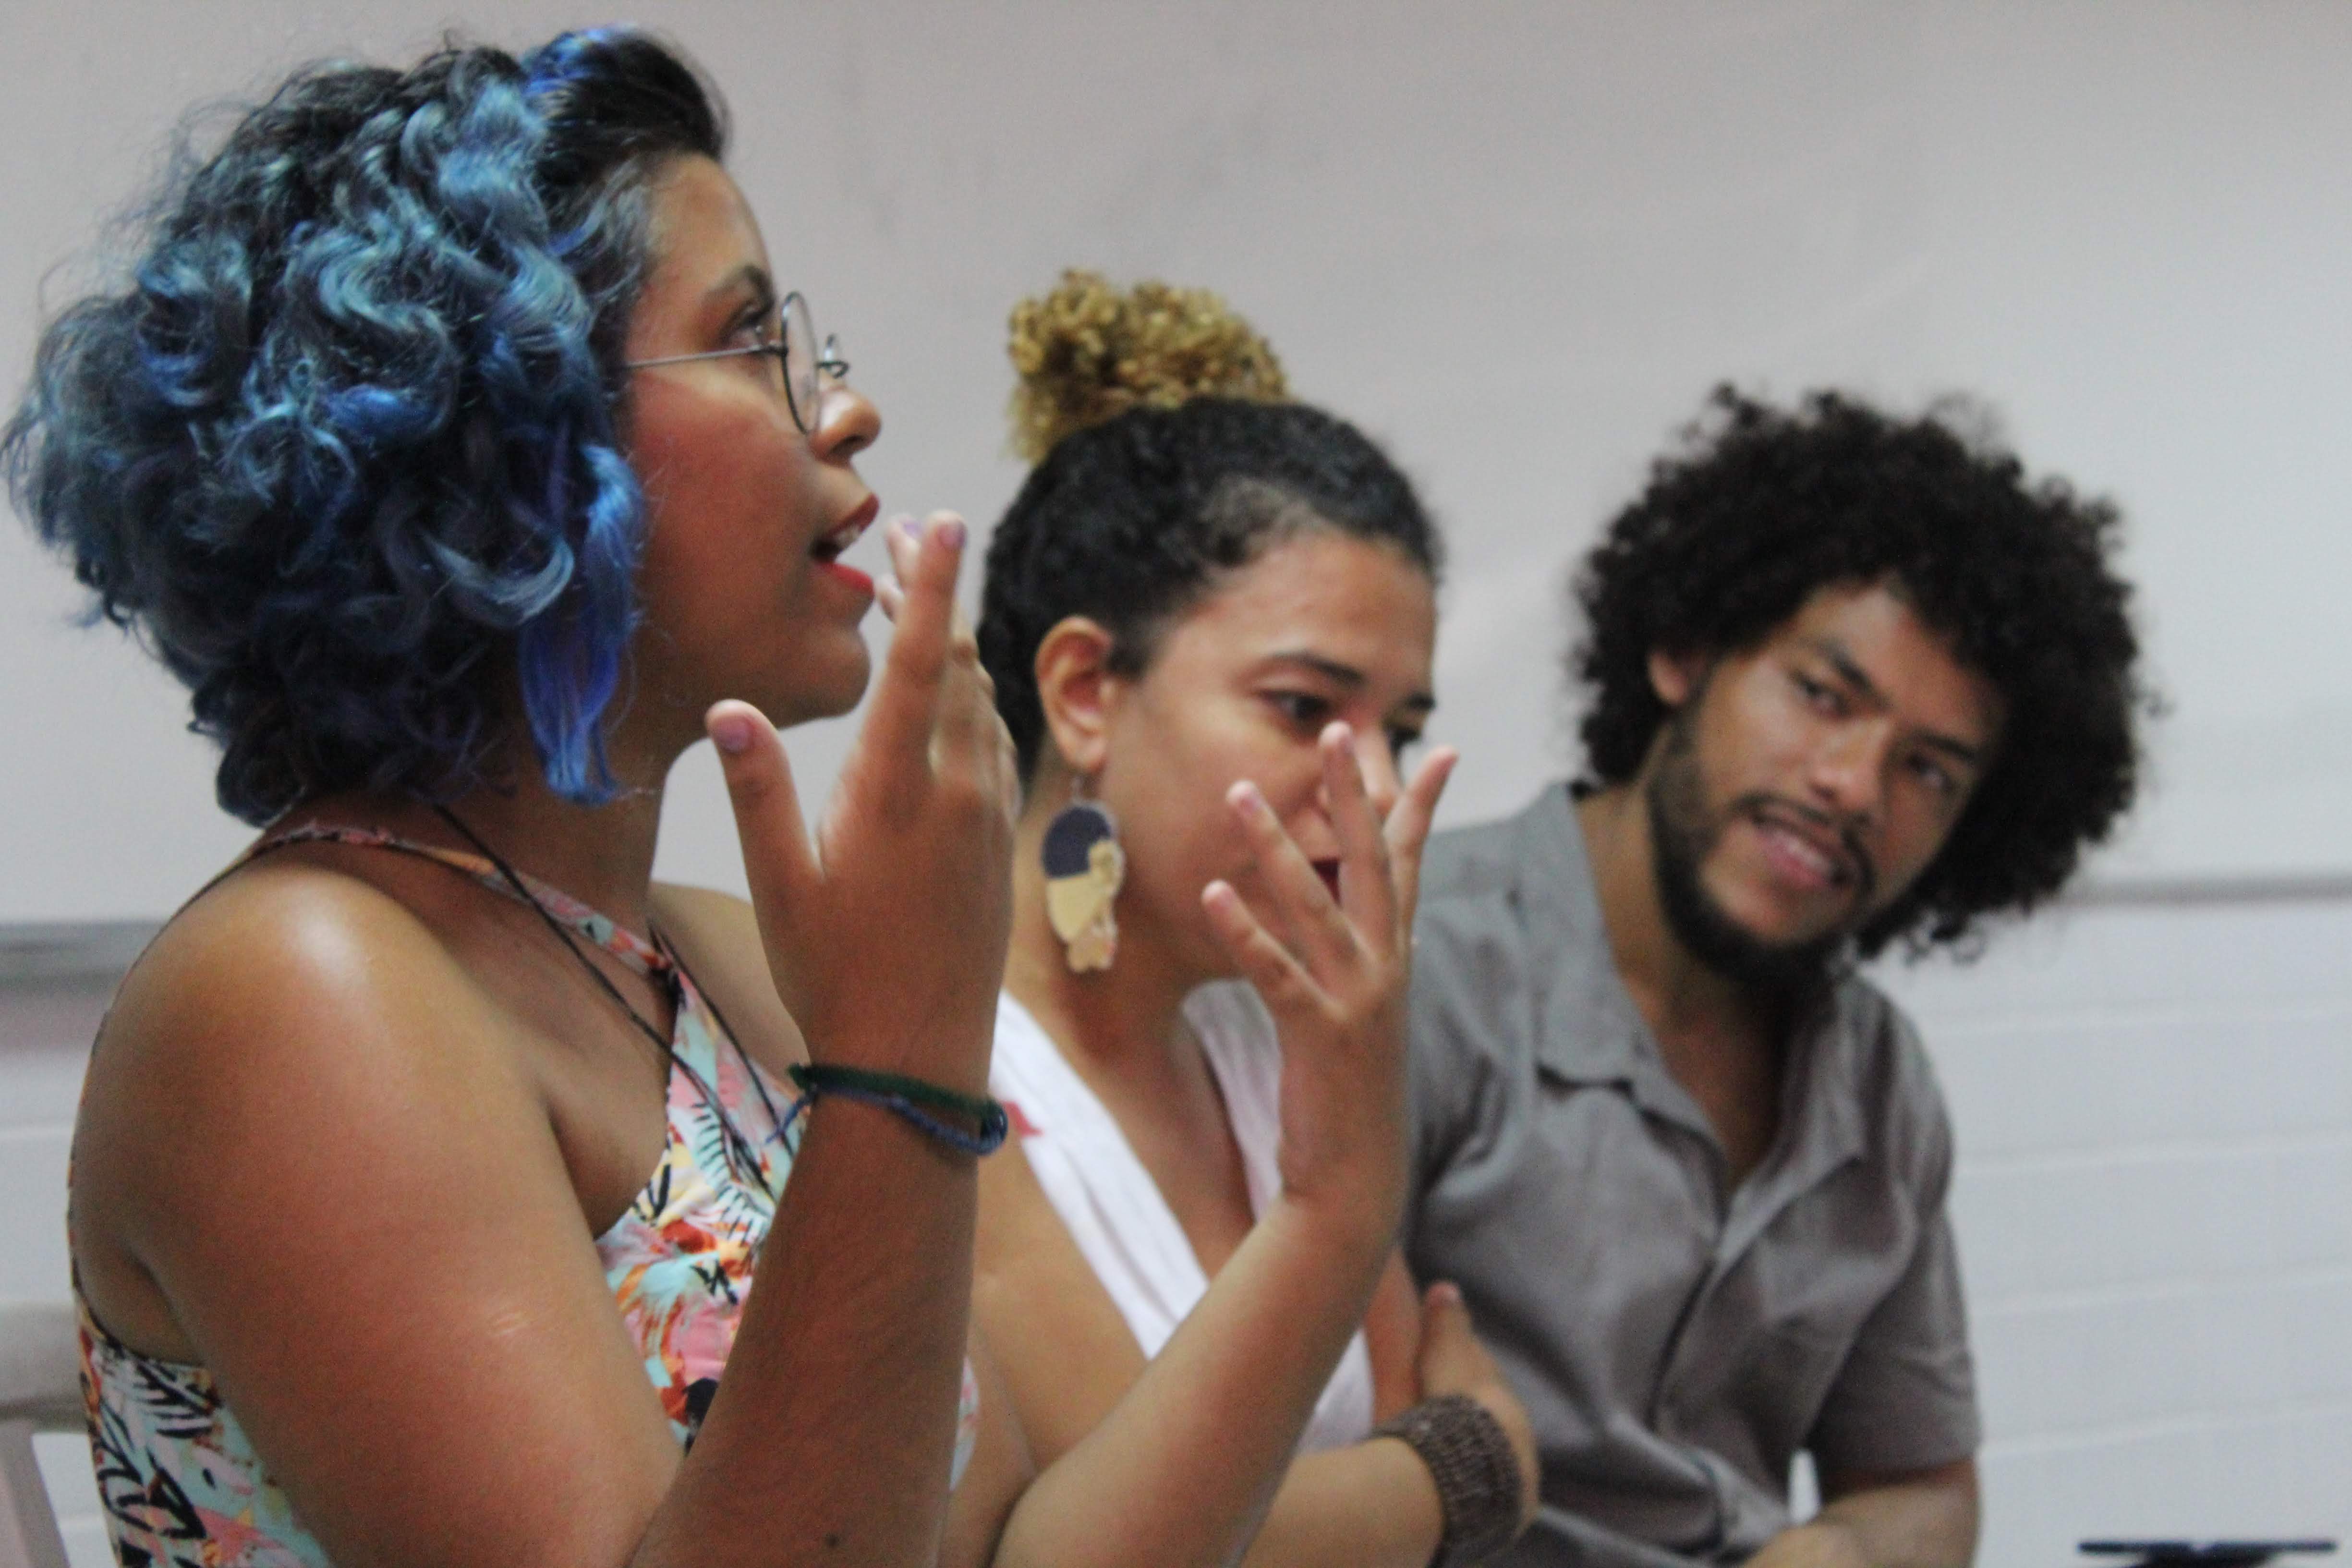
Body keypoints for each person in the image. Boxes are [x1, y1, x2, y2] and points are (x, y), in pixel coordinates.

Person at [5, 34, 1443, 1568]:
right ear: (511, 446)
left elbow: (1005, 1554)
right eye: (753, 341)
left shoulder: (712, 962)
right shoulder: (302, 991)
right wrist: (898, 1062)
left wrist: (1330, 1204)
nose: (846, 410)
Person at [1403, 389, 2146, 1568]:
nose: (1854, 784)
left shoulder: (1876, 1077)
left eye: (1928, 769)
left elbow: (1919, 1488)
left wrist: (1834, 1555)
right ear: (1682, 649)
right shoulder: (1416, 967)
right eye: (1822, 695)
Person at [972, 271, 1539, 1568]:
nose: (1375, 789)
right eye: (1305, 709)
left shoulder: (1258, 1034)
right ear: (1085, 692)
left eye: (1401, 731)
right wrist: (1477, 1464)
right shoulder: (935, 1059)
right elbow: (1109, 1552)